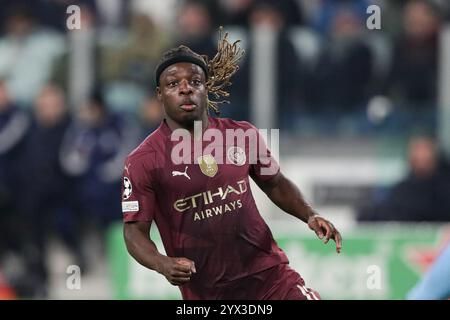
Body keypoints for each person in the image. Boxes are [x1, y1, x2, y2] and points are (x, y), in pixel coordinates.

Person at [122, 29, 342, 300]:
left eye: (194, 81)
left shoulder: (242, 135)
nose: (185, 88)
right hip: (209, 293)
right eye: (173, 84)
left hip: (271, 279)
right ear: (159, 94)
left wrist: (309, 214)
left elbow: (274, 182)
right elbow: (134, 231)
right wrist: (162, 263)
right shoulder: (143, 161)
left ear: (205, 87)